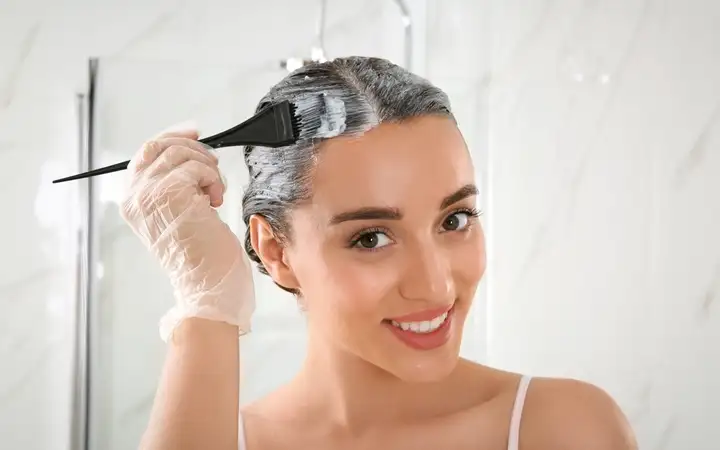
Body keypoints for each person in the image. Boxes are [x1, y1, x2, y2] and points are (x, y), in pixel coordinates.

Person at [121, 57, 637, 450]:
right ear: (276, 251)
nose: (436, 286)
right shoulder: (216, 436)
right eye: (371, 238)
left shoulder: (560, 427)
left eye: (454, 220)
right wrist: (206, 298)